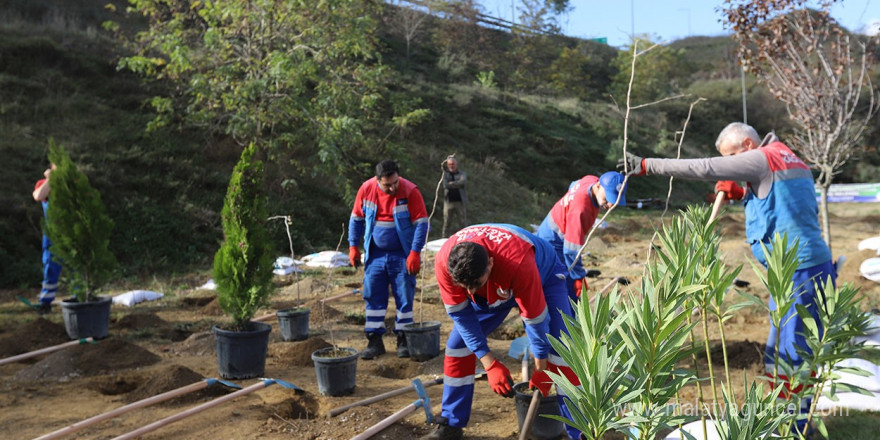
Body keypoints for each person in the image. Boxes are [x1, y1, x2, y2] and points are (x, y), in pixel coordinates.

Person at [621, 122, 834, 432]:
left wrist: (646, 165)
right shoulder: (788, 157)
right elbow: (781, 202)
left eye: (733, 158)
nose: (731, 166)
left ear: (747, 146)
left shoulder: (762, 158)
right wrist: (744, 188)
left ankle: (797, 427)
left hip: (800, 269)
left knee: (794, 353)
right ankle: (784, 420)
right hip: (795, 268)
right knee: (778, 352)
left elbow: (706, 167)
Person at [422, 223, 581, 440]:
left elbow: (535, 319)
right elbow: (461, 316)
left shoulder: (518, 262)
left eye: (475, 285)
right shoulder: (445, 264)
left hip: (544, 275)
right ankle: (451, 424)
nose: (469, 292)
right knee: (458, 347)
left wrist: (542, 366)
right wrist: (489, 363)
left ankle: (581, 430)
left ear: (490, 263)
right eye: (464, 287)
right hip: (497, 285)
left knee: (563, 350)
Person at [348, 159, 429, 359]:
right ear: (378, 181)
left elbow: (421, 223)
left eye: (394, 182)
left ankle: (403, 339)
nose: (392, 187)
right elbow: (356, 219)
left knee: (404, 296)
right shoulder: (366, 190)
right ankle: (374, 341)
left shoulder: (410, 191)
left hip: (402, 254)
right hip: (375, 254)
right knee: (373, 295)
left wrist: (415, 252)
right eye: (387, 185)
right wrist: (353, 246)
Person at [536, 171, 628, 302]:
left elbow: (573, 184)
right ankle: (568, 319)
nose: (610, 205)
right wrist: (578, 277)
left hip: (552, 229)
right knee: (567, 288)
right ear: (598, 186)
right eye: (607, 199)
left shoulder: (590, 180)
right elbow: (570, 250)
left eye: (614, 201)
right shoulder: (581, 210)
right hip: (554, 240)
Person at [33, 163, 61, 315]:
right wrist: (51, 179)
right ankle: (45, 303)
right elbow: (38, 196)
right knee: (50, 267)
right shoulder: (43, 184)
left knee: (77, 268)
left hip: (72, 232)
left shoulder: (72, 183)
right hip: (52, 234)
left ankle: (82, 298)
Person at [441, 156, 467, 237]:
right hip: (448, 202)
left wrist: (452, 183)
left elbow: (463, 183)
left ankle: (465, 237)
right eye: (450, 164)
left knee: (462, 222)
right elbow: (445, 185)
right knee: (447, 222)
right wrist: (457, 183)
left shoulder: (462, 173)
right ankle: (444, 238)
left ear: (456, 164)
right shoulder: (445, 174)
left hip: (460, 201)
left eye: (453, 164)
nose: (451, 166)